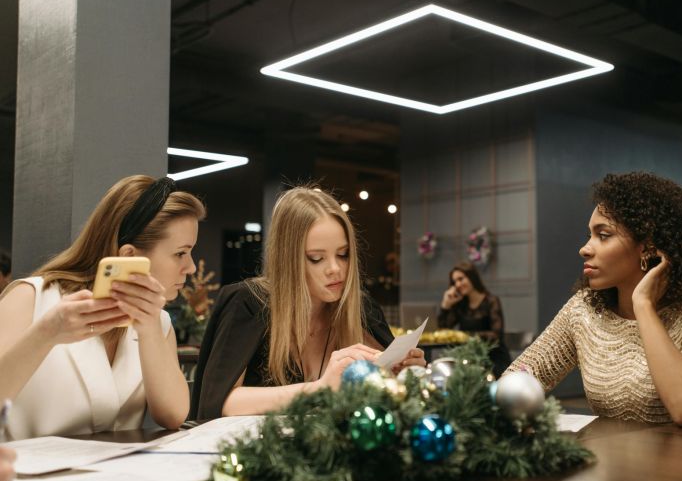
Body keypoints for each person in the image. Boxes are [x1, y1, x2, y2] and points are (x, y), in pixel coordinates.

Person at [506, 172, 682, 426]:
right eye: (589, 235)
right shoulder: (585, 308)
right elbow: (519, 377)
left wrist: (643, 305)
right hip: (611, 461)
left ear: (647, 247)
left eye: (604, 235)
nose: (585, 249)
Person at [191, 186, 425, 421]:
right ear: (288, 259)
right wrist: (320, 388)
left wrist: (401, 374)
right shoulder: (249, 303)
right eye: (316, 258)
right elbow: (220, 403)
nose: (335, 269)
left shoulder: (361, 310)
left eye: (343, 254)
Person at [0, 176, 204, 440]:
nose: (191, 267)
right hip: (25, 476)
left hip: (114, 477)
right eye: (180, 253)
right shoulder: (31, 297)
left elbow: (173, 415)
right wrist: (46, 334)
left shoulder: (159, 321)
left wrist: (150, 329)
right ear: (129, 256)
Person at [438, 261, 511, 375]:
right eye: (454, 282)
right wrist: (445, 305)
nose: (457, 284)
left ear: (472, 277)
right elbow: (443, 329)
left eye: (461, 279)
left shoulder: (491, 301)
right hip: (469, 359)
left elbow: (497, 335)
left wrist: (465, 336)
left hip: (493, 359)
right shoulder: (461, 304)